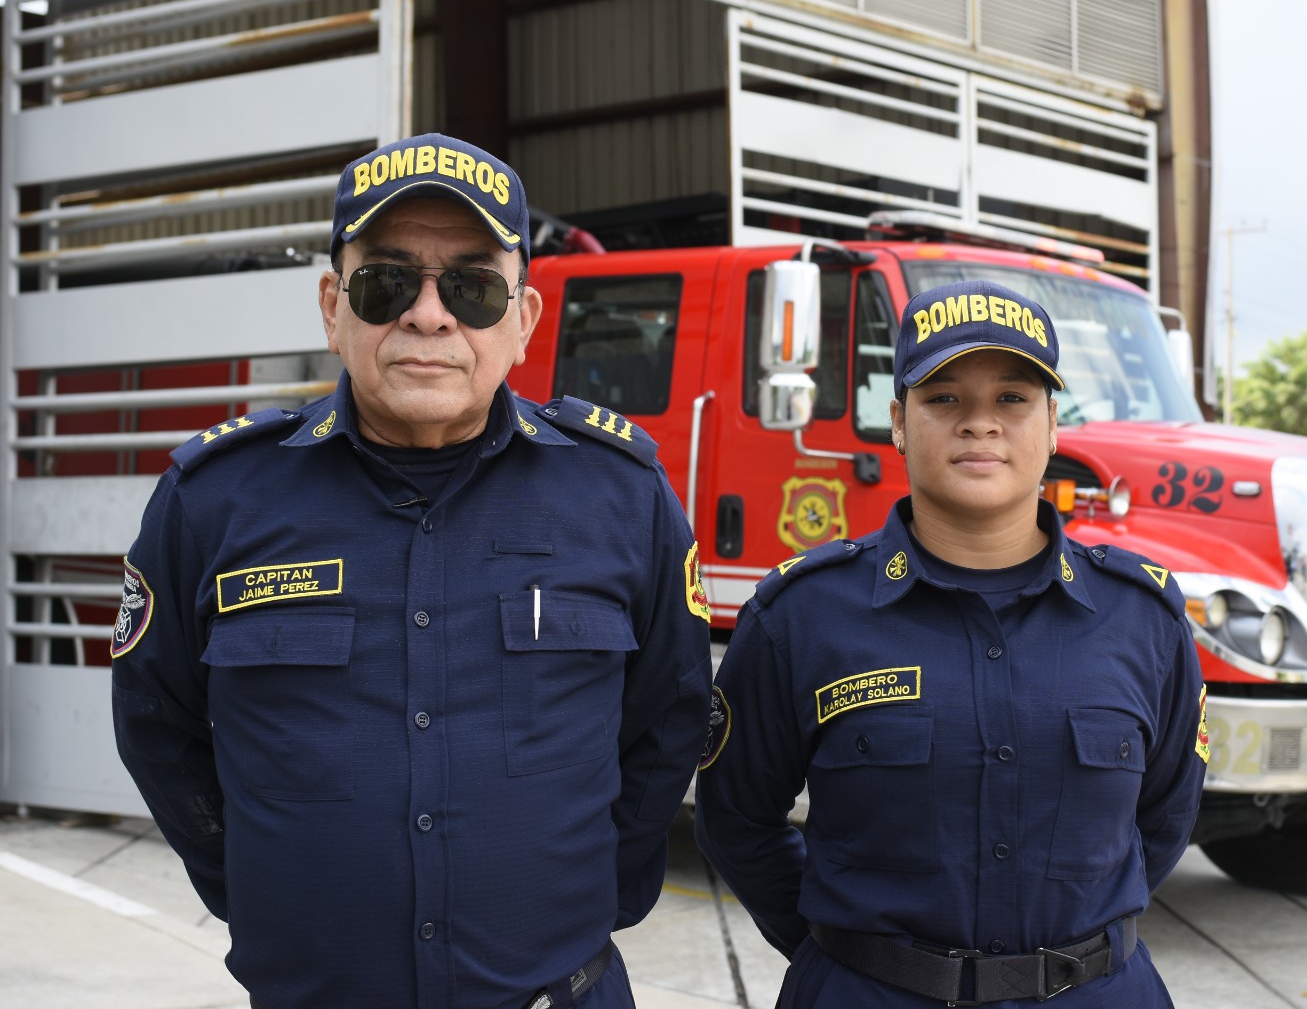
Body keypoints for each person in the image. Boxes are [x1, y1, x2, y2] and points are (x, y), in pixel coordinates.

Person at [111, 133, 712, 1009]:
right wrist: (267, 893)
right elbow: (157, 727)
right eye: (387, 283)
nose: (429, 317)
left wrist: (573, 904)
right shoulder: (213, 500)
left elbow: (669, 722)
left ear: (523, 320)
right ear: (331, 306)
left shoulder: (622, 494)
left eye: (470, 287)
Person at [695, 280, 1209, 1007]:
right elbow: (737, 820)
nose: (980, 424)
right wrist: (850, 957)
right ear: (898, 421)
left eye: (1012, 398)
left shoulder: (1141, 619)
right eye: (944, 399)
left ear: (1054, 423)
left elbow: (1164, 820)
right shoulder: (803, 616)